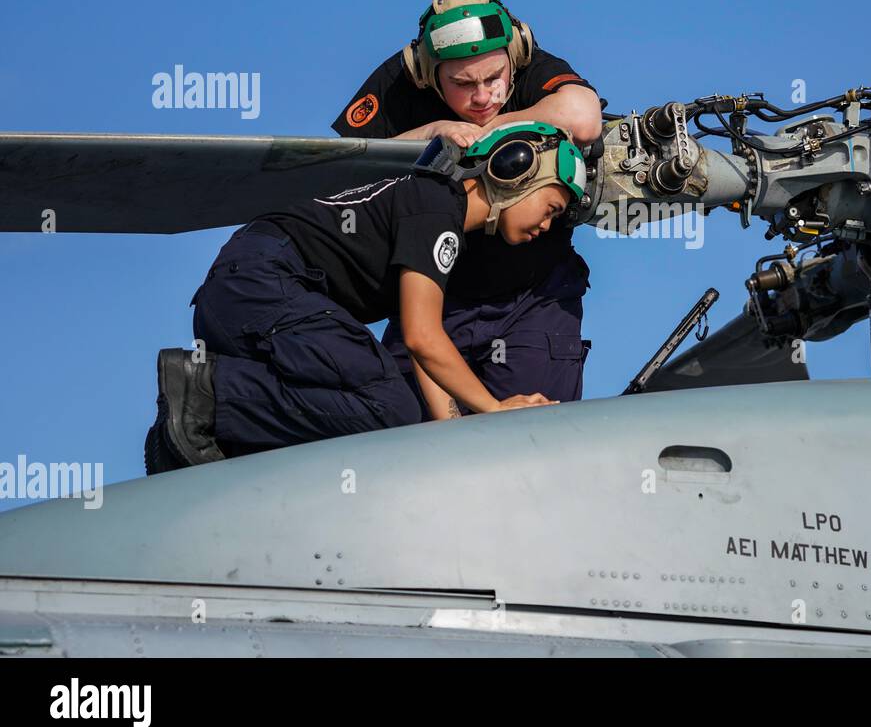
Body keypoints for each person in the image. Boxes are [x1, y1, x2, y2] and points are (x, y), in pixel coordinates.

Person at [144, 123, 588, 473]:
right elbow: (420, 337)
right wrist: (494, 410)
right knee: (389, 404)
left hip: (250, 295)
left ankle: (215, 433)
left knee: (394, 408)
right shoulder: (436, 208)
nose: (547, 226)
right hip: (263, 285)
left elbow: (425, 350)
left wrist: (452, 431)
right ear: (514, 172)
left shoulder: (438, 217)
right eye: (550, 208)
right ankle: (208, 393)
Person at [331, 0, 602, 416]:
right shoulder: (398, 85)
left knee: (533, 438)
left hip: (532, 300)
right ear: (427, 74)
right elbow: (347, 173)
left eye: (495, 77)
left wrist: (492, 128)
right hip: (431, 293)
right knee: (405, 441)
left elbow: (584, 119)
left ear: (515, 55)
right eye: (462, 84)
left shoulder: (532, 68)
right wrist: (432, 132)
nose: (483, 97)